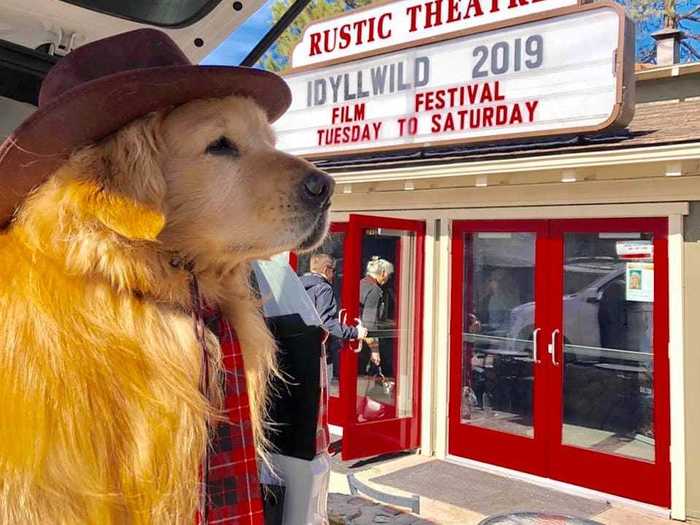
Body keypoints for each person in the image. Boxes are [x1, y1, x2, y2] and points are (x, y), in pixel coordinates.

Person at [301, 254, 368, 380]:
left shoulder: (298, 285)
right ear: (326, 269)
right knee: (320, 392)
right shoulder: (324, 288)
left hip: (299, 349)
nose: (334, 275)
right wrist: (355, 332)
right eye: (334, 270)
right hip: (318, 352)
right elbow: (326, 322)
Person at [359, 256, 395, 374]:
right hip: (364, 342)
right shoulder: (374, 290)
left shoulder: (361, 284)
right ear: (383, 273)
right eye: (389, 275)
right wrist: (374, 350)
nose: (389, 278)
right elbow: (369, 322)